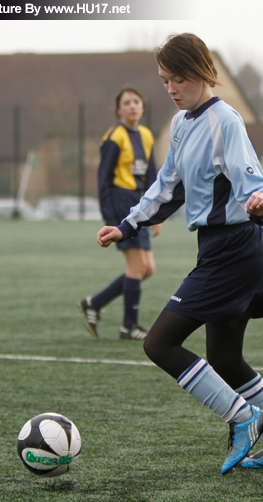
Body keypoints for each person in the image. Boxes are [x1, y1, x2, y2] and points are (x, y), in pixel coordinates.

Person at [94, 33, 263, 474]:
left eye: (179, 79)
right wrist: (127, 224)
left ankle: (244, 418)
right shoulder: (182, 123)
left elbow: (256, 184)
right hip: (219, 248)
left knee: (159, 342)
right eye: (165, 80)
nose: (171, 88)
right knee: (225, 358)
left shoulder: (224, 120)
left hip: (237, 248)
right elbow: (167, 187)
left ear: (203, 73)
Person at [78, 87, 161, 341]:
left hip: (140, 202)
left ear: (143, 107)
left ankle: (95, 303)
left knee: (148, 268)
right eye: (127, 103)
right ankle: (129, 326)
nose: (133, 106)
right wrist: (111, 220)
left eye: (137, 101)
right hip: (121, 201)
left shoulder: (146, 135)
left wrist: (155, 212)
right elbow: (103, 180)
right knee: (136, 266)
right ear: (119, 110)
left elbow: (153, 176)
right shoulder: (114, 137)